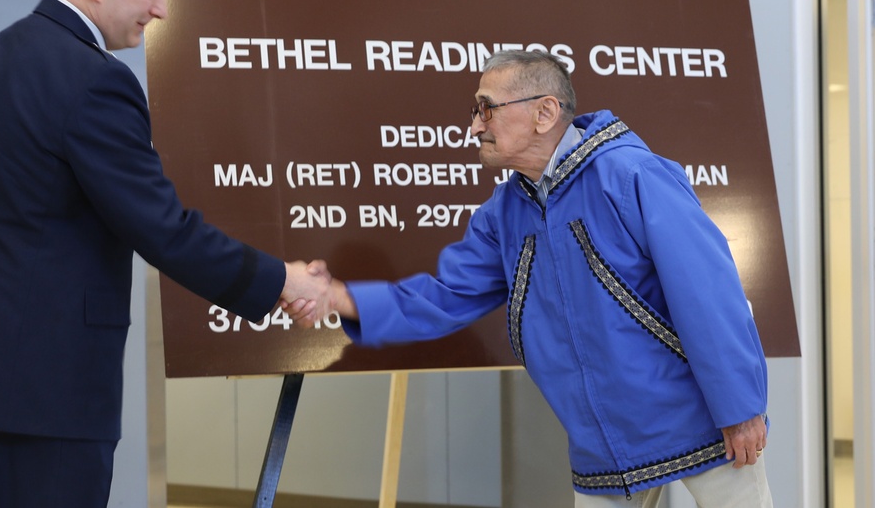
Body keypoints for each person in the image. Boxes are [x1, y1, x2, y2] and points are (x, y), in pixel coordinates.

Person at [0, 0, 329, 508]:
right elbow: (161, 228)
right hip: (49, 385)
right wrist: (278, 279)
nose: (161, 10)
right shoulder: (93, 81)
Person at [310, 49, 772, 506]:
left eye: (486, 108)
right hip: (600, 449)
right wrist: (337, 298)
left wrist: (739, 408)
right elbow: (445, 296)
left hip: (703, 425)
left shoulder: (631, 175)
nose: (474, 126)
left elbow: (708, 296)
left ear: (544, 112)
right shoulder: (503, 215)